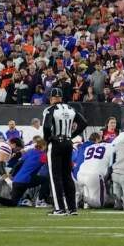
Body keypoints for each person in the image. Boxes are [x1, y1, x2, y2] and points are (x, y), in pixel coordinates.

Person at [43, 87, 87, 216]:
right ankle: (72, 208)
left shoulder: (50, 109)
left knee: (55, 177)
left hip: (56, 143)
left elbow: (46, 126)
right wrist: (71, 136)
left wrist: (48, 139)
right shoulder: (71, 109)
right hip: (68, 143)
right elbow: (83, 123)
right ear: (61, 98)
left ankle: (59, 208)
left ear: (51, 98)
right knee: (67, 176)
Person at [0, 137, 49, 207]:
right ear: (43, 146)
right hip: (26, 180)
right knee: (46, 180)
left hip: (16, 181)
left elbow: (18, 164)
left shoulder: (29, 152)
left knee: (13, 203)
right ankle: (40, 201)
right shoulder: (43, 156)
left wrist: (11, 174)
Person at [74, 133, 113, 209]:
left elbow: (77, 160)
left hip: (79, 174)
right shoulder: (110, 147)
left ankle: (84, 200)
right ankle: (86, 200)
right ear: (98, 139)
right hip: (93, 175)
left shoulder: (85, 147)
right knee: (99, 204)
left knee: (88, 191)